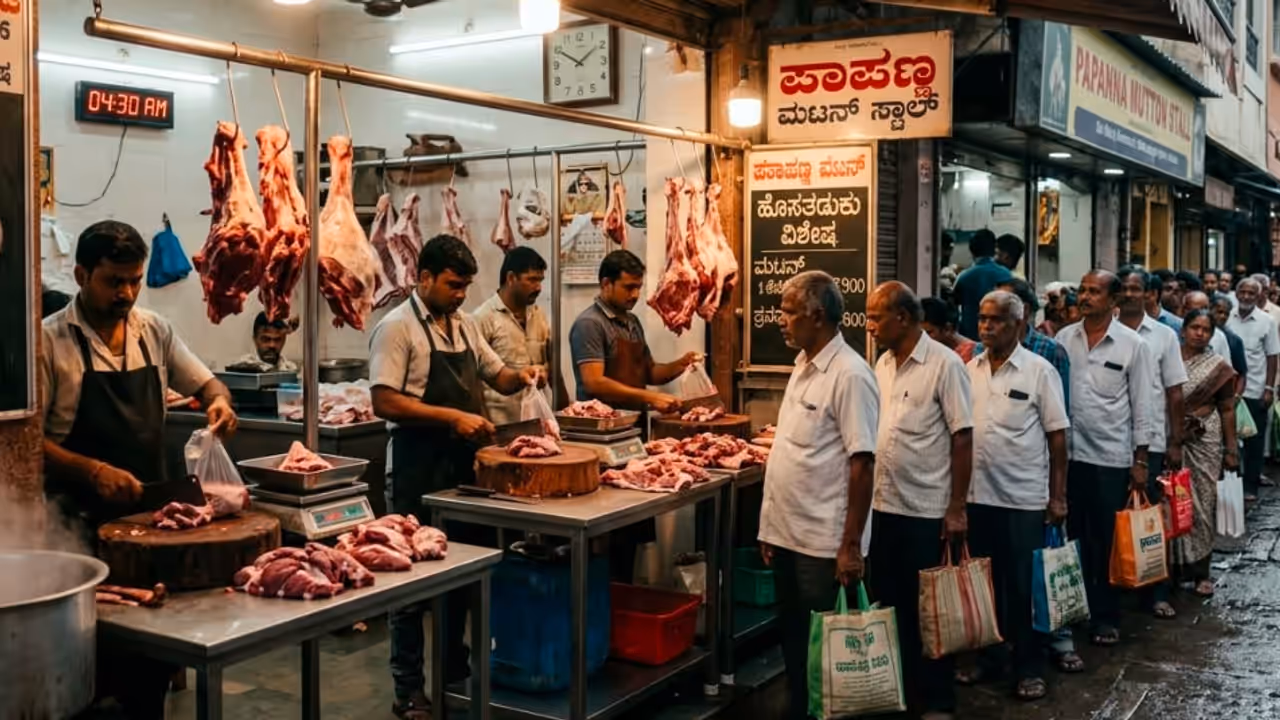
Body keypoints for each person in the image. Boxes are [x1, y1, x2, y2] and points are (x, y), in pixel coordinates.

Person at [41, 220, 238, 719]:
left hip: (151, 524)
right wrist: (88, 469)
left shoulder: (155, 330)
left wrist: (219, 403)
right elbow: (23, 442)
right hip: (77, 526)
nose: (127, 292)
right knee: (89, 662)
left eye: (134, 280)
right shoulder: (48, 342)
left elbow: (208, 384)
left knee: (148, 665)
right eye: (113, 281)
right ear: (82, 274)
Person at [368, 234, 542, 720]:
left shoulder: (463, 325)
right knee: (410, 586)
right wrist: (452, 417)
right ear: (423, 277)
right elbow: (383, 400)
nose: (461, 294)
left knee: (462, 576)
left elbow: (496, 374)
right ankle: (408, 689)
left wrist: (525, 376)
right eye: (452, 285)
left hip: (462, 471)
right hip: (416, 466)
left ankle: (452, 675)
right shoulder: (396, 328)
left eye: (465, 286)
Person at [758, 271, 879, 720]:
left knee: (825, 644)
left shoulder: (850, 375)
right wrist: (770, 527)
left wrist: (850, 544)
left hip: (823, 543)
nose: (780, 320)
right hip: (789, 533)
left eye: (789, 312)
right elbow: (793, 451)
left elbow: (862, 463)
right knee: (793, 637)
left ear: (817, 316)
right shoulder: (802, 366)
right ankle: (801, 710)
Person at [866, 281, 972, 719]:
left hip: (926, 509)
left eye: (876, 318)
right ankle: (900, 692)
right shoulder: (882, 364)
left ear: (903, 319)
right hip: (883, 506)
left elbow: (963, 437)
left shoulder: (945, 365)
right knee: (889, 605)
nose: (869, 326)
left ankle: (938, 699)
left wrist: (956, 508)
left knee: (930, 610)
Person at [962, 291, 1069, 701]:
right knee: (983, 586)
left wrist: (1057, 498)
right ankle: (990, 658)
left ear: (1018, 324)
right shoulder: (968, 370)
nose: (986, 326)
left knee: (1023, 588)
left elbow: (1058, 439)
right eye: (982, 318)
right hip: (977, 496)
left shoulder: (1040, 371)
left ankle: (1028, 667)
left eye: (996, 320)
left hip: (1023, 499)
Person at [1055, 270, 1154, 647]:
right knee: (1072, 539)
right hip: (1070, 458)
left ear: (1113, 301)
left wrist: (1140, 461)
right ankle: (1076, 611)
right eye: (1082, 290)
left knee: (1105, 542)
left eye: (1094, 292)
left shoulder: (1132, 345)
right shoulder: (1065, 339)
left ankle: (1106, 617)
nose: (1085, 296)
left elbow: (1142, 404)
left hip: (1110, 459)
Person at [1117, 267, 1187, 619]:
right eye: (1125, 289)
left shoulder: (1163, 336)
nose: (1131, 295)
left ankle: (1156, 590)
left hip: (1155, 439)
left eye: (1137, 289)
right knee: (1117, 516)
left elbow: (1175, 392)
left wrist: (1175, 442)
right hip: (1112, 443)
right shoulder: (1104, 333)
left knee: (1153, 518)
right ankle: (1120, 583)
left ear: (1149, 294)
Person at [569, 250, 698, 414]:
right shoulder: (590, 323)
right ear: (606, 284)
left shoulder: (632, 322)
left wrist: (682, 364)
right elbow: (594, 382)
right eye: (629, 287)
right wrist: (649, 397)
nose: (635, 295)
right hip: (603, 427)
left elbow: (649, 372)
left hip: (634, 423)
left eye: (638, 287)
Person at [1175, 309, 1239, 597]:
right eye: (1194, 327)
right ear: (1184, 329)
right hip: (1173, 438)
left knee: (1203, 503)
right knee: (1173, 503)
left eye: (1205, 329)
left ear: (1212, 335)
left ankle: (1202, 571)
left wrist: (1231, 448)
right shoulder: (1169, 359)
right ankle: (1173, 569)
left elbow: (1227, 409)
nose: (1199, 333)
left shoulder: (1218, 367)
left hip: (1205, 439)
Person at [472, 246, 565, 424]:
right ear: (511, 278)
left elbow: (553, 370)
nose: (538, 287)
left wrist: (564, 412)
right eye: (531, 280)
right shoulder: (483, 317)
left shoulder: (538, 315)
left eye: (540, 280)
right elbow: (474, 379)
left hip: (537, 419)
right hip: (500, 423)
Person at [1224, 278, 1279, 502]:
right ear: (1236, 294)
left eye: (1251, 293)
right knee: (1228, 441)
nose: (1246, 297)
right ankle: (1230, 485)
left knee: (1253, 444)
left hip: (1255, 391)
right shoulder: (1226, 317)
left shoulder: (1267, 321)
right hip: (1227, 391)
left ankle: (1250, 487)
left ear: (1258, 297)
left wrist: (1268, 388)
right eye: (1242, 292)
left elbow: (1272, 356)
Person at [953, 229, 1012, 340]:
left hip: (969, 335)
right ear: (994, 249)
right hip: (1001, 335)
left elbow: (954, 306)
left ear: (971, 250)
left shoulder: (964, 277)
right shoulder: (1006, 275)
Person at [230, 312, 299, 372]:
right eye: (265, 339)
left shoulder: (291, 370)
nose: (272, 345)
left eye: (277, 339)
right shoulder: (240, 368)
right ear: (255, 339)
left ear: (284, 340)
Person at [922, 297, 978, 363]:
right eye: (920, 333)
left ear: (947, 329)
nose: (923, 337)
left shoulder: (973, 355)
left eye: (929, 332)